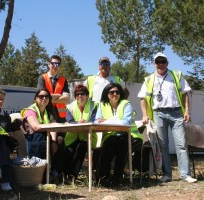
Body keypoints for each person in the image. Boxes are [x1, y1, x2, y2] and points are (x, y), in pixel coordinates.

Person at [138, 52, 197, 183]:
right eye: (158, 62)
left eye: (163, 61)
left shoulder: (176, 75)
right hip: (158, 114)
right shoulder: (149, 79)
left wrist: (187, 111)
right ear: (154, 64)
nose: (160, 64)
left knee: (181, 144)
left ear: (167, 63)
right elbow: (142, 98)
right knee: (163, 145)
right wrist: (145, 114)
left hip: (176, 113)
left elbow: (185, 93)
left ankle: (185, 175)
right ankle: (167, 175)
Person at [84, 56, 129, 172]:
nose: (104, 66)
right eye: (102, 64)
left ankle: (109, 170)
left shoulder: (116, 79)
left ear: (110, 65)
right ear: (99, 66)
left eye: (107, 64)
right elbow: (83, 93)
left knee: (109, 140)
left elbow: (126, 91)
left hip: (111, 110)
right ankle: (95, 170)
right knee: (95, 142)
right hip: (95, 111)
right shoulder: (91, 79)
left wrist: (119, 102)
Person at [95, 83, 142, 187]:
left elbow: (126, 122)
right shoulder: (102, 105)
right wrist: (113, 121)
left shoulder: (126, 104)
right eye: (111, 92)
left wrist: (107, 121)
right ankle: (103, 179)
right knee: (108, 146)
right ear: (107, 94)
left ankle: (117, 178)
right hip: (111, 135)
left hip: (130, 136)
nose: (115, 94)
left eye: (117, 92)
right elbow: (97, 121)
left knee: (122, 145)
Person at [20, 88, 65, 182]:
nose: (44, 98)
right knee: (41, 138)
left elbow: (53, 127)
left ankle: (56, 172)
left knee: (60, 140)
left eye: (47, 96)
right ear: (36, 98)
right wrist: (52, 126)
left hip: (46, 138)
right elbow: (36, 127)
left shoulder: (49, 112)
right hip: (34, 140)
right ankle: (41, 175)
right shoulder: (30, 110)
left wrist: (53, 141)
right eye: (41, 96)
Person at [64, 84, 98, 182]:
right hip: (71, 137)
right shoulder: (70, 107)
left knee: (81, 148)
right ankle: (65, 175)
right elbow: (69, 121)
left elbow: (94, 120)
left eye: (82, 94)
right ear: (75, 97)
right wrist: (78, 123)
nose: (80, 96)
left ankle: (73, 176)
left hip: (88, 137)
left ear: (87, 95)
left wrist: (84, 123)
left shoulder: (94, 105)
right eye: (77, 94)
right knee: (68, 151)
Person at [37, 55, 70, 122]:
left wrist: (48, 98)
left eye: (58, 64)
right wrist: (59, 96)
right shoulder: (42, 78)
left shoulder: (63, 80)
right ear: (49, 64)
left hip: (60, 117)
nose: (56, 66)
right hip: (46, 113)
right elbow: (41, 96)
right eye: (53, 63)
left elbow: (66, 98)